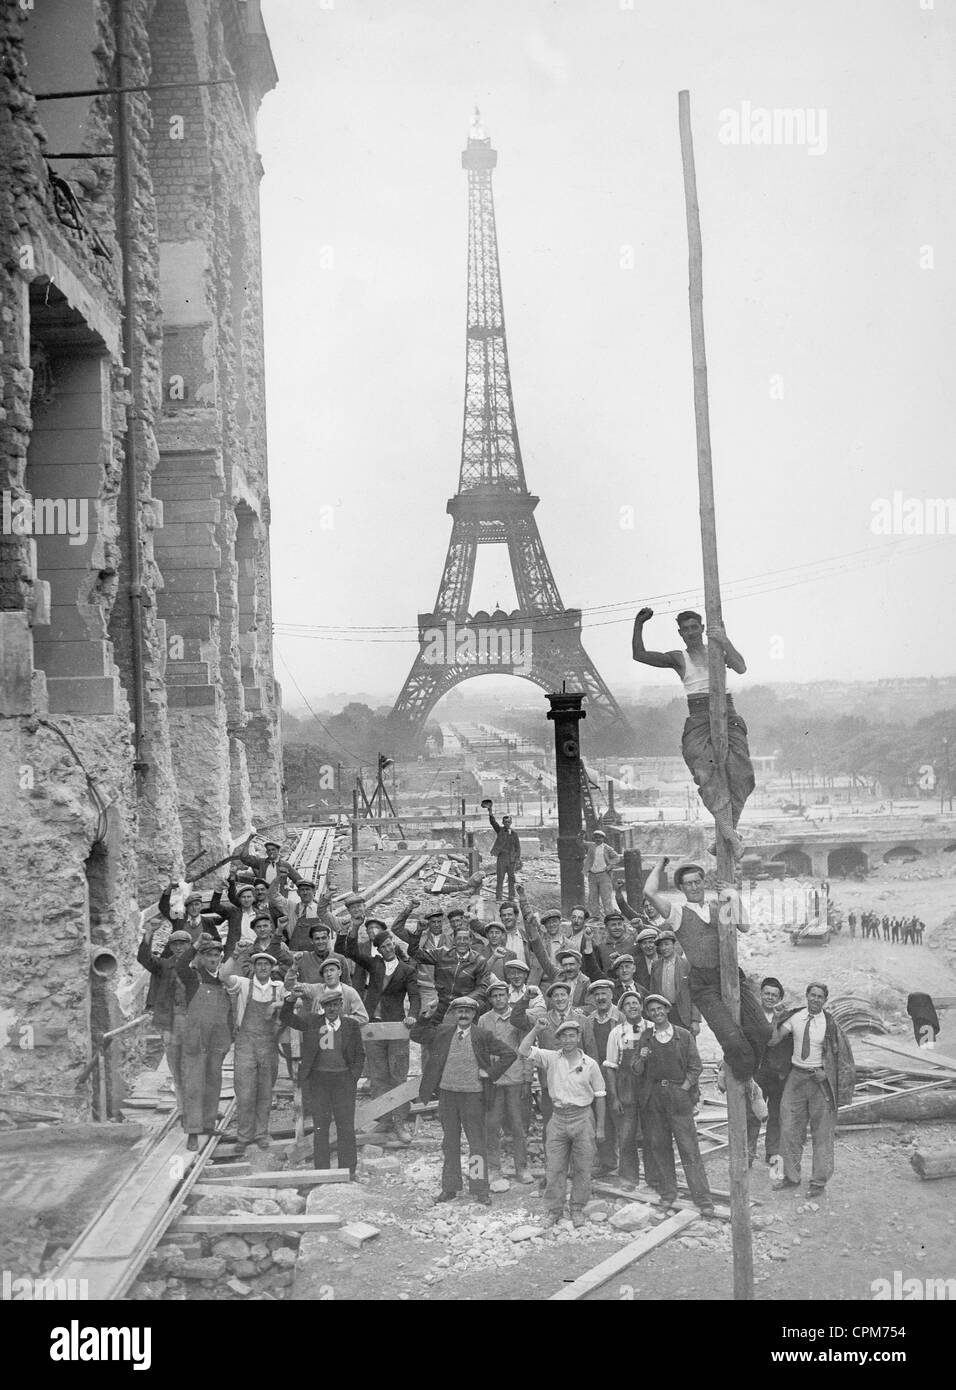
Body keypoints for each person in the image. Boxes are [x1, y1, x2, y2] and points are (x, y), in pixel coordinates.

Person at [632, 606, 755, 852]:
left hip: (727, 712)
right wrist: (639, 624)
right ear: (680, 633)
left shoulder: (716, 650)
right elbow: (640, 655)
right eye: (685, 629)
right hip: (698, 717)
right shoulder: (679, 657)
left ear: (702, 629)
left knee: (741, 774)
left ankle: (727, 834)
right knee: (706, 774)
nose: (690, 632)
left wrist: (724, 639)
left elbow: (741, 667)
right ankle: (729, 835)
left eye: (694, 627)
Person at [643, 858, 770, 1082]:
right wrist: (660, 865)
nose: (694, 887)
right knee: (732, 1040)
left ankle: (739, 1069)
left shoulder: (718, 906)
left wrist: (734, 896)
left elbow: (745, 926)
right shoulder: (678, 913)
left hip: (731, 976)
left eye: (697, 882)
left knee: (763, 1032)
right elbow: (649, 891)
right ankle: (734, 1072)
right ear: (681, 888)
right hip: (704, 984)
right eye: (688, 884)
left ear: (704, 883)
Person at [411, 996, 517, 1205]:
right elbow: (416, 1034)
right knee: (449, 1143)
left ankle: (480, 1189)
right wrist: (426, 1016)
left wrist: (490, 1072)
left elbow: (509, 1054)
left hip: (473, 1097)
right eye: (459, 1011)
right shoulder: (443, 1032)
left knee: (477, 1144)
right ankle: (450, 1188)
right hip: (447, 1095)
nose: (463, 1015)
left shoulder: (482, 1035)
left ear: (474, 1015)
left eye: (468, 1011)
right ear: (453, 1014)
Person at [766, 982, 856, 1197]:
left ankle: (818, 1182)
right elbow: (773, 1041)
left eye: (820, 997)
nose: (815, 999)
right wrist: (777, 1019)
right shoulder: (795, 1018)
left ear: (825, 1000)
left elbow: (842, 1057)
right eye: (812, 995)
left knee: (822, 1133)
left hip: (819, 1081)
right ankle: (790, 1176)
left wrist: (827, 1073)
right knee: (787, 1128)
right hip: (796, 1077)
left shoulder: (831, 1024)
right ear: (806, 996)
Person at [518, 1016, 607, 1228]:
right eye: (563, 1036)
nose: (568, 1040)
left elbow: (600, 1095)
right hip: (558, 1118)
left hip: (583, 1117)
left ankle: (577, 1208)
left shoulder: (590, 1064)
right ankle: (554, 1210)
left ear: (578, 1037)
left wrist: (601, 1127)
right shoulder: (550, 1058)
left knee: (583, 1167)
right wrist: (536, 1029)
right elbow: (523, 1051)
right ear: (558, 1039)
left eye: (572, 1035)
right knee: (555, 1167)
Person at [633, 995, 716, 1218]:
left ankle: (703, 1199)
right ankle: (667, 1194)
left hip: (678, 1096)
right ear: (648, 1014)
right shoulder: (646, 1037)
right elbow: (637, 1070)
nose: (656, 1013)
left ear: (667, 1010)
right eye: (652, 1010)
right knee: (660, 1147)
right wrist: (640, 1059)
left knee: (688, 1148)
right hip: (655, 1098)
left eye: (660, 1009)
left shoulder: (683, 1035)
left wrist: (684, 1088)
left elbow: (695, 1066)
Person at [343, 924, 420, 1144]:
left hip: (396, 1028)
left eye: (389, 944)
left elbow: (415, 997)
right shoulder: (374, 964)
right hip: (373, 1028)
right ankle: (384, 1119)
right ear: (378, 950)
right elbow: (351, 952)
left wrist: (412, 1015)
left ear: (394, 945)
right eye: (383, 946)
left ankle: (399, 1121)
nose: (388, 949)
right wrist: (354, 927)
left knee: (398, 1074)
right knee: (378, 1075)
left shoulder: (407, 970)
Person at [279, 987, 364, 1177]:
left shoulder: (351, 1025)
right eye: (328, 1006)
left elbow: (360, 1055)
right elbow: (286, 1017)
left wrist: (353, 1077)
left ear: (341, 1006)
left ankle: (348, 1171)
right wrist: (290, 1000)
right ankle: (322, 1172)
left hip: (343, 1081)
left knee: (346, 1126)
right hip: (318, 1081)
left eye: (335, 1005)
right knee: (320, 1126)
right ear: (323, 1008)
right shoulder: (312, 1022)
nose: (332, 1009)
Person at [221, 947, 286, 1155]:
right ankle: (244, 1136)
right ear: (254, 968)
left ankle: (261, 1134)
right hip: (246, 1043)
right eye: (259, 964)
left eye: (266, 964)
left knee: (266, 1090)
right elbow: (223, 975)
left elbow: (296, 1001)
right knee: (245, 1091)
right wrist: (235, 954)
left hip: (268, 1045)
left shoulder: (279, 987)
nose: (263, 967)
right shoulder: (243, 984)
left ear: (272, 967)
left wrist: (277, 1003)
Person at [181, 935, 234, 1152]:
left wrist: (229, 1036)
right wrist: (195, 945)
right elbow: (179, 965)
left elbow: (230, 1012)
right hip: (197, 1038)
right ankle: (193, 1132)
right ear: (201, 957)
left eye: (216, 955)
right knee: (194, 1083)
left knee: (214, 1079)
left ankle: (208, 1125)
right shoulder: (193, 977)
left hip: (218, 1038)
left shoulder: (224, 980)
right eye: (209, 955)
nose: (213, 959)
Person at [137, 921, 194, 1122]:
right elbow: (144, 958)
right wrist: (149, 934)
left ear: (189, 945)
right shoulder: (163, 966)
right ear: (170, 947)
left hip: (193, 1023)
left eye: (183, 944)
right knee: (176, 1066)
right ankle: (183, 1110)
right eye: (175, 944)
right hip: (170, 1023)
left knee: (194, 1067)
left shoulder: (198, 965)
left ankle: (199, 1111)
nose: (179, 948)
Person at [479, 981, 534, 1183]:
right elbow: (481, 1050)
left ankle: (522, 1168)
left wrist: (528, 1078)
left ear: (508, 996)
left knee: (518, 1126)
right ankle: (494, 1168)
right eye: (494, 996)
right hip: (494, 1081)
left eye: (502, 995)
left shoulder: (519, 1018)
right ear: (490, 999)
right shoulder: (484, 1020)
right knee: (491, 1125)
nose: (499, 999)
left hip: (516, 1079)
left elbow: (528, 1049)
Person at [407, 919, 492, 1020]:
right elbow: (414, 953)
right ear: (454, 940)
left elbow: (483, 988)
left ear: (470, 940)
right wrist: (418, 932)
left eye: (465, 939)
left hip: (465, 1006)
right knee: (429, 1028)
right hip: (441, 1005)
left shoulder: (479, 961)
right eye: (459, 938)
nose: (462, 942)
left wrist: (464, 1000)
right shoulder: (442, 954)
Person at [604, 990, 647, 1188]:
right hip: (626, 1086)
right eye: (627, 1004)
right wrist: (614, 1097)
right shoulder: (616, 1033)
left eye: (635, 1002)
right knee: (627, 1134)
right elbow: (611, 1068)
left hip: (649, 1087)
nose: (632, 1006)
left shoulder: (652, 1028)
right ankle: (628, 1178)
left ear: (641, 1006)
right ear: (622, 1009)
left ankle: (656, 1178)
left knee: (653, 1133)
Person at [581, 980, 623, 1177]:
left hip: (619, 1075)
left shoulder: (620, 1017)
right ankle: (608, 1162)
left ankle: (627, 1164)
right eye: (596, 994)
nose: (600, 998)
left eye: (604, 993)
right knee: (602, 1118)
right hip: (597, 1076)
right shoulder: (589, 1020)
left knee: (623, 1118)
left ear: (611, 995)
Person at [753, 976, 789, 1170]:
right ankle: (749, 1153)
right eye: (766, 993)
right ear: (761, 995)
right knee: (754, 1114)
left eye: (774, 995)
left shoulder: (785, 1017)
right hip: (758, 1073)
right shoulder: (753, 1014)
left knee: (776, 1115)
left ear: (780, 998)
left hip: (777, 1075)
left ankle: (772, 1152)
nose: (770, 997)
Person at [649, 930, 700, 1034]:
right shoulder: (655, 965)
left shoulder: (686, 965)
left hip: (683, 1014)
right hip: (663, 1013)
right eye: (661, 945)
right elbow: (653, 991)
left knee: (686, 1045)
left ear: (674, 945)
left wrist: (695, 1020)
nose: (664, 948)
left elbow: (696, 994)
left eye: (667, 944)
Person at [238, 833, 302, 887]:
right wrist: (248, 840)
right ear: (267, 852)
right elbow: (244, 858)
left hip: (279, 897)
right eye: (269, 850)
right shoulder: (261, 862)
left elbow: (298, 880)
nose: (271, 852)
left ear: (278, 851)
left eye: (273, 849)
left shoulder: (285, 865)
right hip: (264, 895)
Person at [583, 830, 621, 918]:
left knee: (606, 897)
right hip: (592, 875)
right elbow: (580, 843)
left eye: (600, 837)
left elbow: (617, 858)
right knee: (593, 897)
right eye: (596, 837)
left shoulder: (607, 848)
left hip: (604, 875)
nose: (598, 839)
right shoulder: (590, 846)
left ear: (603, 838)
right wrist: (581, 835)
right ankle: (595, 916)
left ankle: (609, 917)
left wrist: (610, 865)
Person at [487, 805, 522, 902]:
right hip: (502, 858)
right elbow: (493, 823)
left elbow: (517, 847)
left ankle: (511, 897)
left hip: (511, 859)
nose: (507, 823)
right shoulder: (500, 830)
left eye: (509, 822)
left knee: (511, 879)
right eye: (505, 822)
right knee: (500, 879)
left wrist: (517, 859)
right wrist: (490, 812)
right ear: (503, 822)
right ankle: (499, 898)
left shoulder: (514, 834)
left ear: (511, 823)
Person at [633, 928, 659, 993]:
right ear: (640, 946)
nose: (648, 946)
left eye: (651, 942)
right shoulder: (635, 963)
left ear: (656, 944)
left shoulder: (665, 959)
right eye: (644, 943)